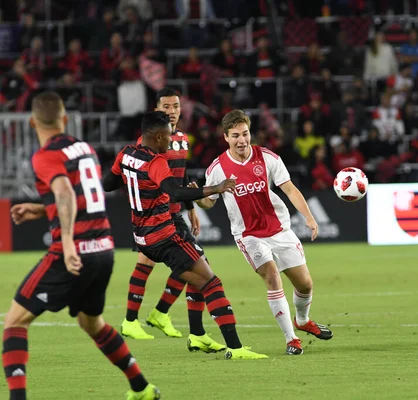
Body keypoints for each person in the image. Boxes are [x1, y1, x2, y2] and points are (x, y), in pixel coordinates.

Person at [5, 92, 159, 400]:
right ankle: (142, 388)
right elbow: (83, 195)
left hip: (73, 251)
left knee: (14, 323)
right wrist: (39, 209)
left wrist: (67, 242)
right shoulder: (84, 148)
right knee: (92, 323)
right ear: (64, 119)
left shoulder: (45, 155)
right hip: (103, 248)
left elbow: (63, 192)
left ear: (33, 121)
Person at [103, 111, 267, 360]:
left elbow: (108, 184)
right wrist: (215, 188)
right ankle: (235, 347)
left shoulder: (126, 153)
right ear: (158, 136)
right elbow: (175, 193)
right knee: (211, 283)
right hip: (164, 235)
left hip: (141, 235)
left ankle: (198, 334)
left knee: (200, 268)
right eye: (168, 136)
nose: (170, 141)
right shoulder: (155, 162)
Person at [194, 109, 333, 356]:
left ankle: (302, 320)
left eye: (245, 134)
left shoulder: (267, 157)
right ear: (225, 137)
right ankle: (291, 339)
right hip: (248, 234)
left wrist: (309, 217)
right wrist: (199, 196)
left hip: (279, 228)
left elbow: (289, 189)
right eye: (235, 135)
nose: (242, 140)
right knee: (271, 276)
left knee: (305, 285)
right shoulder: (217, 168)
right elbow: (210, 202)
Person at [120, 88, 226, 354]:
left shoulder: (182, 139)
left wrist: (190, 209)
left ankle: (159, 314)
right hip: (154, 215)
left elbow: (180, 175)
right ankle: (133, 320)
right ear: (157, 109)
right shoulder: (152, 140)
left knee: (190, 264)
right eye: (166, 106)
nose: (171, 111)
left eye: (176, 106)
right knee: (156, 263)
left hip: (175, 211)